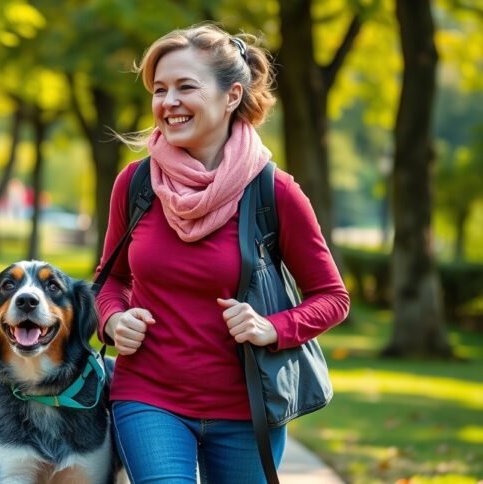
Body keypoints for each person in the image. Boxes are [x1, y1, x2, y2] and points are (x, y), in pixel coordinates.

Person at [94, 24, 350, 483]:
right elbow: (108, 280)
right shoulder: (135, 184)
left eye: (185, 87)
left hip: (246, 410)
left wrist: (272, 327)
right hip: (148, 396)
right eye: (159, 89)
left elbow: (332, 297)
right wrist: (112, 319)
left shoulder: (274, 191)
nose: (167, 102)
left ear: (231, 96)